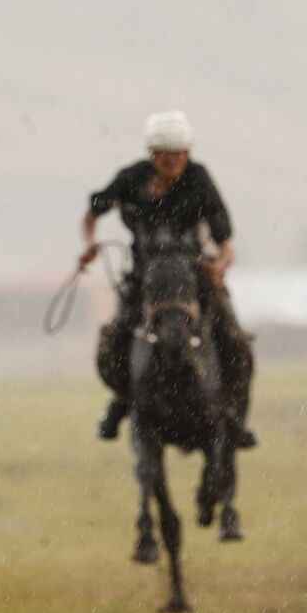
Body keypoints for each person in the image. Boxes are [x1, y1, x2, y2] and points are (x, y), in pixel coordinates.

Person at [81, 111, 256, 446]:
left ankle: (231, 413)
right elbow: (91, 214)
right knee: (113, 341)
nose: (175, 159)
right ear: (153, 153)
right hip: (143, 282)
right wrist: (89, 246)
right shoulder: (131, 178)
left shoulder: (199, 179)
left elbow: (226, 241)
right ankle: (123, 400)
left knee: (235, 341)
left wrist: (220, 265)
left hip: (194, 279)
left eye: (180, 153)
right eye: (167, 153)